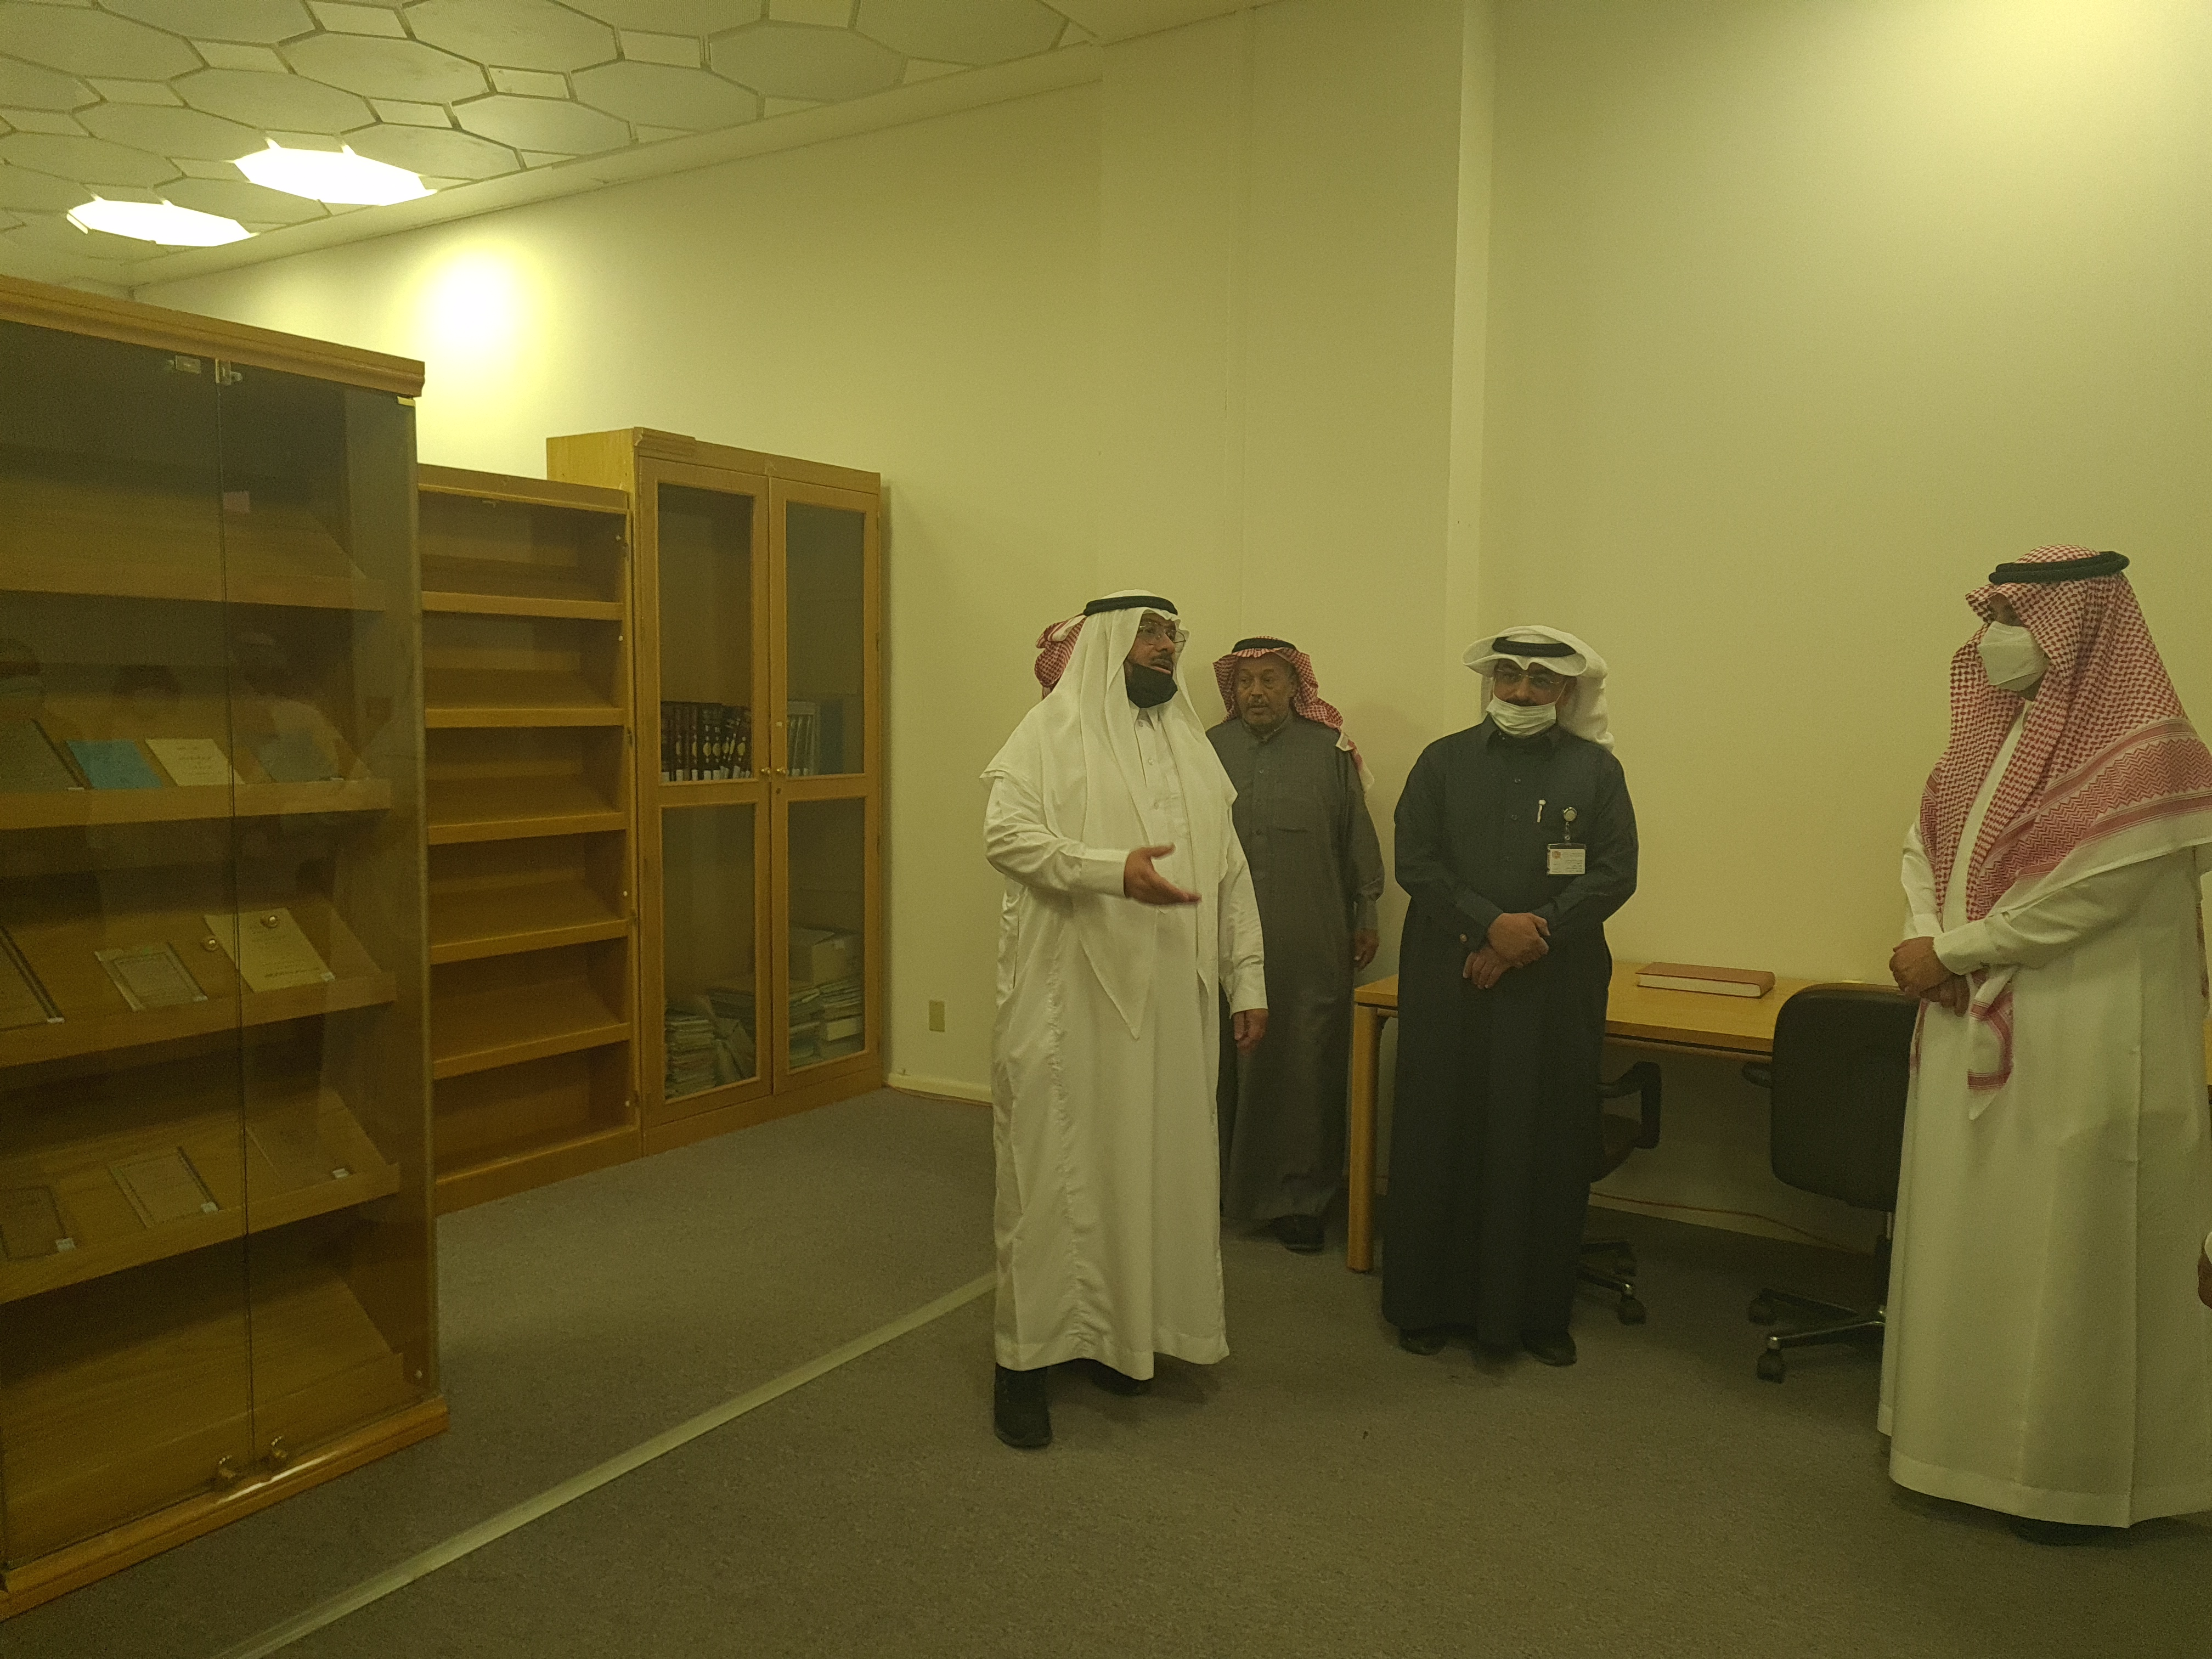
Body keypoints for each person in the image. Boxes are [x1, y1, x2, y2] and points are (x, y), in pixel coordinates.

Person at [1884, 545, 2212, 1543]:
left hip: (2085, 1043)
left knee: (2068, 1251)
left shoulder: (2146, 752)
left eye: (2017, 618)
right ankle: (1951, 1445)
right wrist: (1931, 942)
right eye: (1991, 617)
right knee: (1968, 1241)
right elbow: (1923, 848)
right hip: (1967, 1020)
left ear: (2083, 630)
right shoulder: (1985, 742)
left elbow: (2089, 894)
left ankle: (2063, 1482)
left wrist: (1951, 949)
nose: (1996, 639)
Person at [981, 591, 1268, 1449]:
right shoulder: (1047, 735)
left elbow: (1231, 872)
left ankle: (1118, 1339)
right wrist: (1111, 871)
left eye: (1171, 634)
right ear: (1106, 643)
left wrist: (1248, 979)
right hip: (1067, 1004)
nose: (1163, 646)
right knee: (1055, 1178)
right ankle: (1022, 1363)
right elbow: (1006, 837)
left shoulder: (1191, 749)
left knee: (1149, 1169)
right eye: (1147, 632)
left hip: (1172, 1007)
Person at [1382, 628, 1637, 1367]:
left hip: (1554, 984)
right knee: (1441, 1130)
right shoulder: (1442, 761)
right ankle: (1425, 1305)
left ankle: (1535, 1313)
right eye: (1508, 676)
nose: (1521, 692)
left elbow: (1615, 872)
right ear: (1492, 682)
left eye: (1539, 679)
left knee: (1545, 1137)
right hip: (1451, 974)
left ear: (1566, 691)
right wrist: (1487, 926)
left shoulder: (1597, 772)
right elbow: (1415, 861)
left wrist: (1532, 934)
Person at [1206, 637, 1384, 1252]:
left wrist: (1366, 910)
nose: (1256, 692)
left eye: (1270, 679)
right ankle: (1217, 1187)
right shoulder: (1207, 750)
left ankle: (1301, 1201)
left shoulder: (1328, 750)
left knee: (1306, 1062)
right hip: (1218, 940)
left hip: (1310, 936)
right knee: (1222, 1060)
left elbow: (1356, 835)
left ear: (1294, 686)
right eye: (1245, 681)